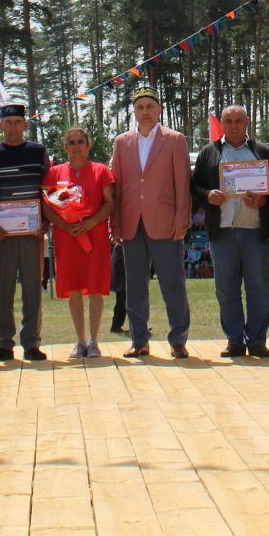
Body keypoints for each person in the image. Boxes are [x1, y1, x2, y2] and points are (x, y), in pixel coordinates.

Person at [110, 86, 193, 359]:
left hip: (166, 221)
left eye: (149, 106)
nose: (145, 112)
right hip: (132, 222)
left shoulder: (174, 139)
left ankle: (178, 339)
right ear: (134, 112)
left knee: (173, 284)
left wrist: (183, 217)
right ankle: (139, 339)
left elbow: (182, 183)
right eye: (140, 107)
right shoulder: (122, 142)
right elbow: (118, 185)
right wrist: (116, 223)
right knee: (135, 285)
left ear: (159, 110)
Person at [191, 104, 269, 358]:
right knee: (226, 288)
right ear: (222, 123)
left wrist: (264, 200)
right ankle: (235, 341)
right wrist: (208, 195)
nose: (234, 126)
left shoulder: (262, 151)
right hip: (223, 230)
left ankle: (258, 340)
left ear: (247, 121)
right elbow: (194, 187)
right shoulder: (209, 153)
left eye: (238, 121)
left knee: (259, 286)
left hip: (254, 229)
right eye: (228, 121)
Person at [45, 125, 115, 358]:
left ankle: (94, 340)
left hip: (94, 235)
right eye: (71, 143)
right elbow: (47, 204)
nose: (76, 147)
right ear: (65, 146)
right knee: (74, 288)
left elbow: (110, 202)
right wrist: (64, 224)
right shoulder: (55, 173)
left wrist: (91, 222)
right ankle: (80, 340)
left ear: (88, 145)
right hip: (67, 236)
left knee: (95, 287)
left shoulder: (101, 171)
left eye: (80, 142)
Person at [0, 104, 49, 362]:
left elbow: (48, 189)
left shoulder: (38, 152)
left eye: (17, 122)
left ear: (25, 125)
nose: (13, 127)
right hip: (2, 234)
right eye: (8, 122)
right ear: (0, 126)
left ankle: (31, 342)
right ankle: (4, 343)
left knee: (33, 289)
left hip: (32, 233)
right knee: (4, 290)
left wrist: (46, 220)